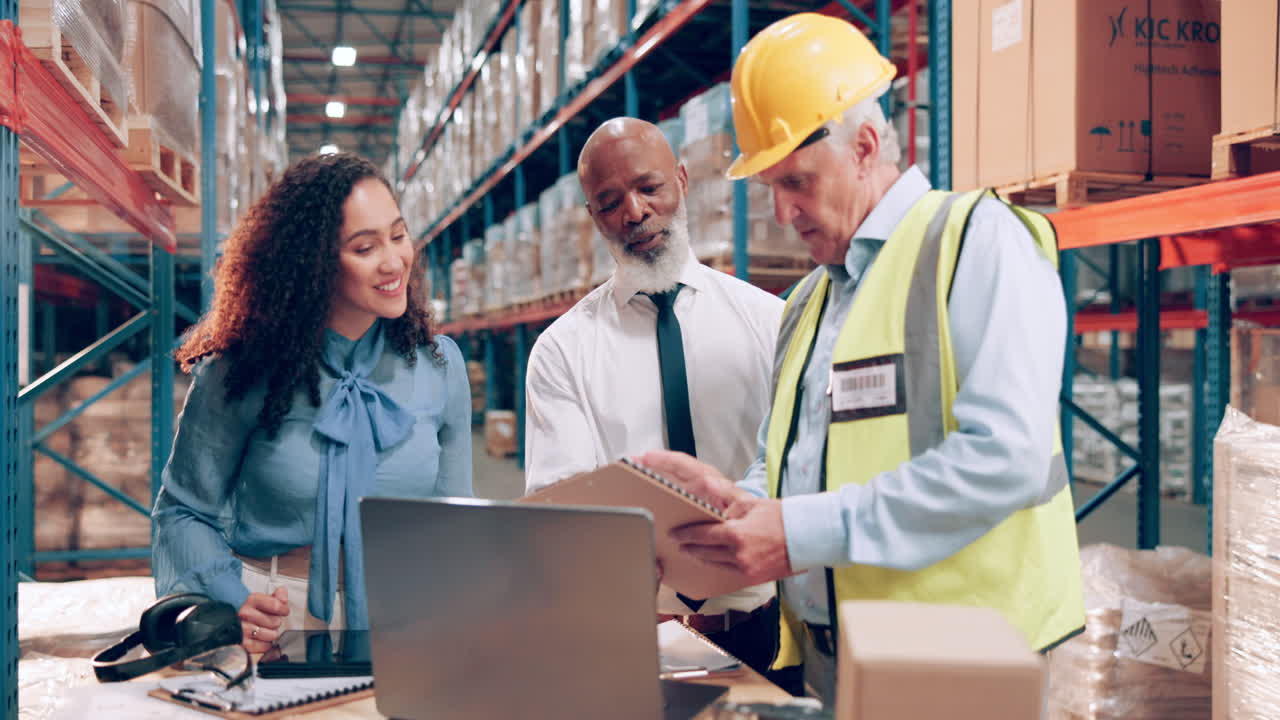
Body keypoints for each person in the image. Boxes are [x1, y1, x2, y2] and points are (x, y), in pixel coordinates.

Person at [639, 13, 1086, 702]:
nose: (784, 214)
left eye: (797, 182)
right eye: (769, 191)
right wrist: (739, 506)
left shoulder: (976, 242)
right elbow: (790, 460)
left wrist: (796, 533)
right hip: (833, 658)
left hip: (966, 666)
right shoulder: (807, 304)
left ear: (866, 146)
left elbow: (1007, 458)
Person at [152, 152, 473, 652]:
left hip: (406, 616)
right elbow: (182, 511)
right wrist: (228, 597)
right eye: (364, 247)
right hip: (276, 618)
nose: (394, 262)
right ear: (313, 262)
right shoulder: (240, 371)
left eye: (398, 234)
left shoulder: (440, 365)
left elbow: (456, 520)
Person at [524, 117, 789, 681]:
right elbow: (558, 503)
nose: (635, 213)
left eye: (649, 188)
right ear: (594, 218)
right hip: (631, 639)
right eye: (610, 201)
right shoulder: (562, 352)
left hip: (765, 632)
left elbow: (797, 470)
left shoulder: (770, 322)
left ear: (684, 181)